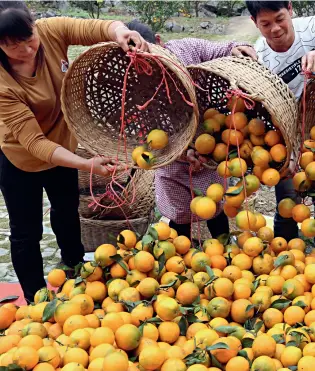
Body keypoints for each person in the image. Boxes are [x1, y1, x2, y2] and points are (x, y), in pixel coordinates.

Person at [0, 1, 148, 302]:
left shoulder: (50, 31)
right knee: (26, 233)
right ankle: (36, 299)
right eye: (14, 47)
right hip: (21, 159)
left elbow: (96, 27)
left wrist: (120, 31)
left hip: (63, 148)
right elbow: (35, 144)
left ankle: (77, 273)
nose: (27, 51)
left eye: (29, 39)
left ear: (33, 25)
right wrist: (86, 163)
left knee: (67, 213)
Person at [127, 20, 257, 239]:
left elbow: (218, 49)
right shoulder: (135, 82)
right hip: (170, 156)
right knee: (180, 215)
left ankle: (223, 250)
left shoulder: (186, 49)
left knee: (214, 207)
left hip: (207, 144)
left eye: (150, 56)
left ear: (159, 41)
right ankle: (183, 260)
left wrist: (238, 47)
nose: (148, 67)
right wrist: (180, 153)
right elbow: (145, 134)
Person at [246, 0, 315, 241]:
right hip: (285, 132)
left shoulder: (311, 28)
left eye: (279, 19)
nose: (275, 29)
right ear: (254, 23)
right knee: (287, 197)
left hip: (314, 121)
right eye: (265, 24)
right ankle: (284, 248)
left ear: (290, 9)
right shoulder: (260, 58)